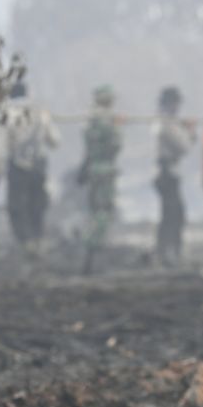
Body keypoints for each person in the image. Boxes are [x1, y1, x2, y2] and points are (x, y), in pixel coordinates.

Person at [3, 80, 59, 260]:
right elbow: (55, 141)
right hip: (38, 165)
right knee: (37, 203)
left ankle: (26, 241)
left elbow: (2, 144)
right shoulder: (40, 113)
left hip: (17, 166)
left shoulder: (7, 114)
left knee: (16, 205)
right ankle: (37, 238)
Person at [77, 85, 122, 275]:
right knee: (103, 214)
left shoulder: (90, 120)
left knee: (96, 211)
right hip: (105, 170)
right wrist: (117, 127)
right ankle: (91, 248)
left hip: (94, 170)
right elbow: (115, 146)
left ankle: (91, 253)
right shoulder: (106, 120)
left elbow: (88, 150)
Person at [153, 86, 195, 266]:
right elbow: (183, 146)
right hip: (167, 173)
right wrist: (189, 132)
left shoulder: (167, 121)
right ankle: (168, 254)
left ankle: (167, 253)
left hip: (169, 172)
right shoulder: (165, 123)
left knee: (172, 215)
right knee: (174, 215)